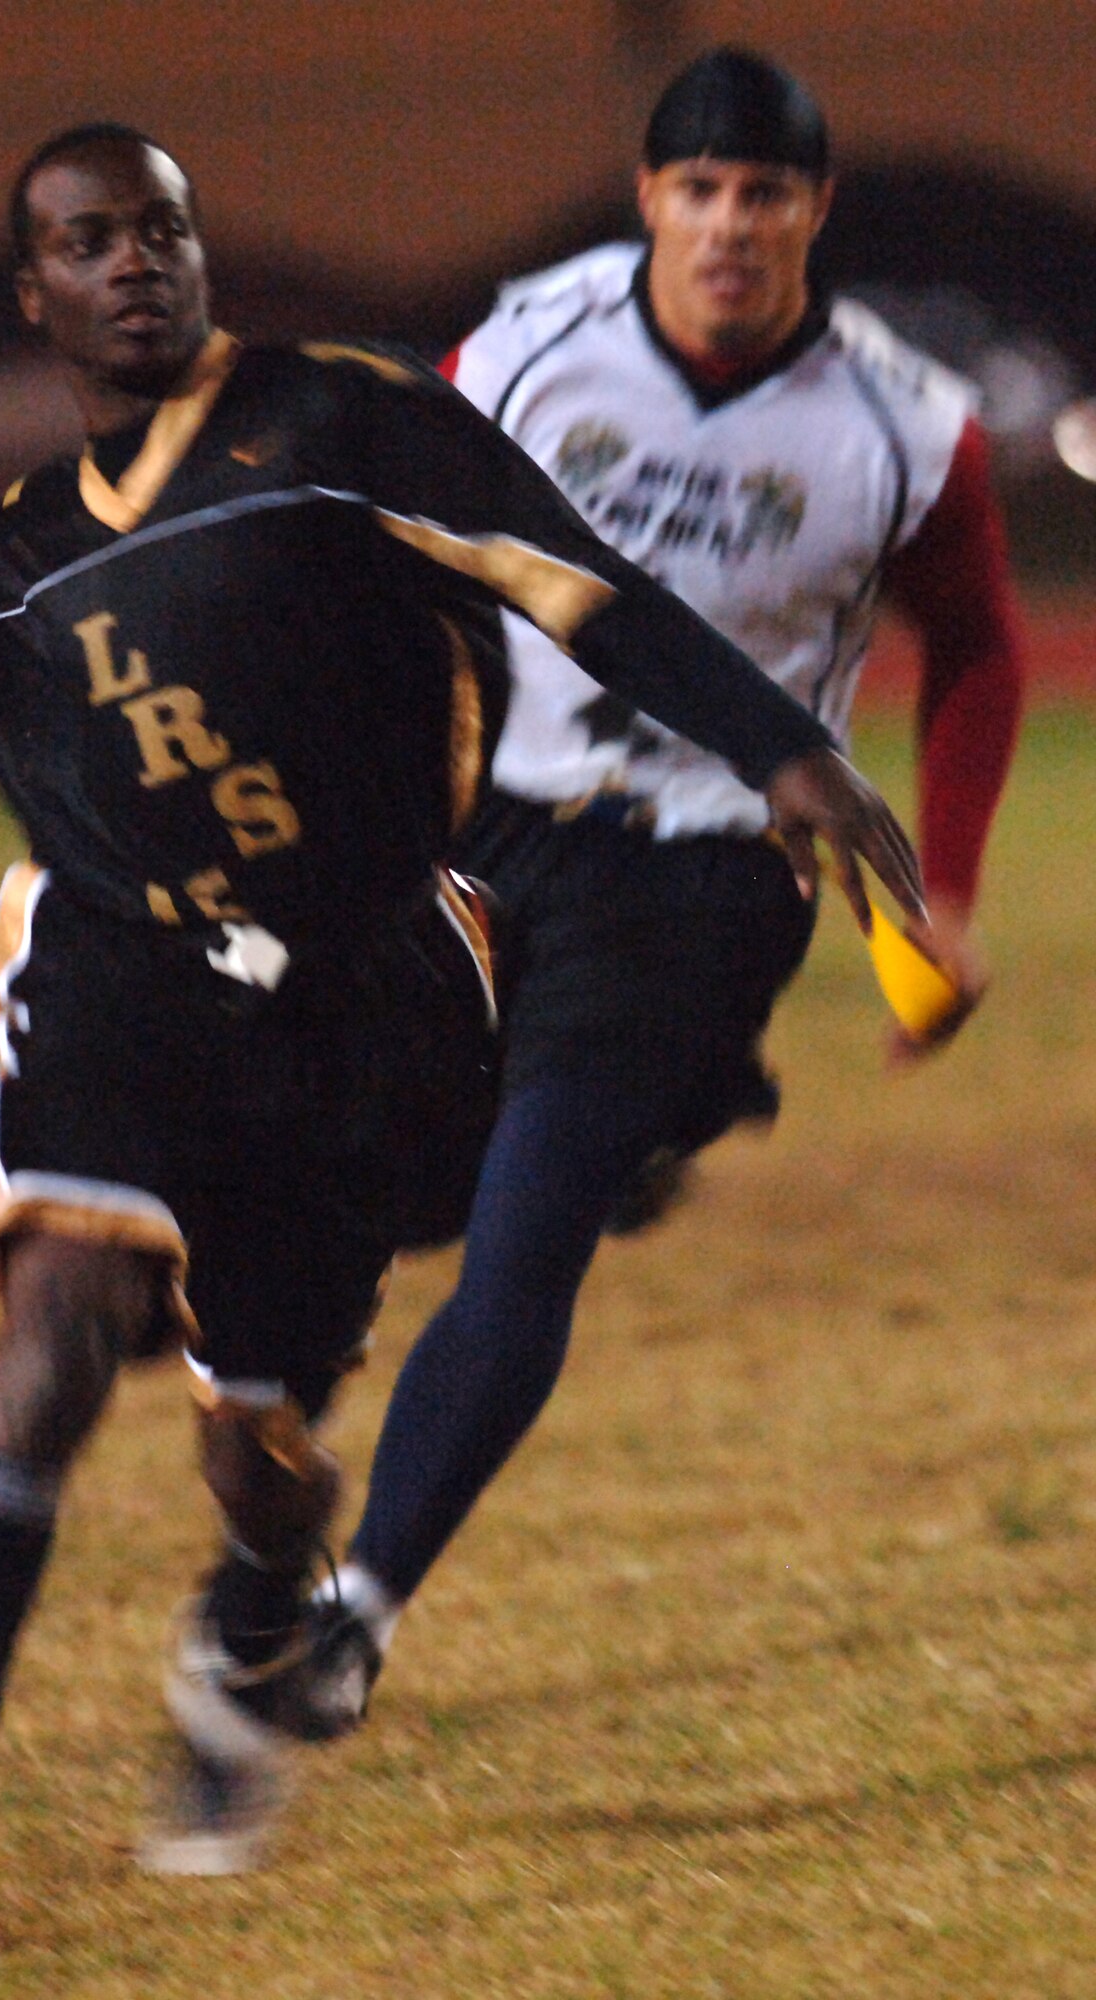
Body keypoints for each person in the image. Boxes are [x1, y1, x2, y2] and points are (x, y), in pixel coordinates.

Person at [0, 120, 926, 1969]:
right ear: (38, 290)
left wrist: (781, 744)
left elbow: (587, 586)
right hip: (116, 978)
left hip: (361, 999)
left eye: (162, 228)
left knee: (265, 1456)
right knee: (49, 1349)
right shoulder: (24, 558)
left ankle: (267, 1577)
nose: (133, 261)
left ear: (201, 254)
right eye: (85, 241)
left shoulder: (343, 429)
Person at [303, 49, 1024, 1735]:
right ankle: (639, 1134)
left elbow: (980, 651)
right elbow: (396, 548)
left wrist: (948, 888)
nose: (728, 225)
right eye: (697, 189)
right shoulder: (534, 348)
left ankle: (352, 1611)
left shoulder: (903, 428)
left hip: (715, 864)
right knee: (365, 1183)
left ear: (815, 211)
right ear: (648, 198)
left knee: (524, 1235)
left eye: (764, 193)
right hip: (495, 832)